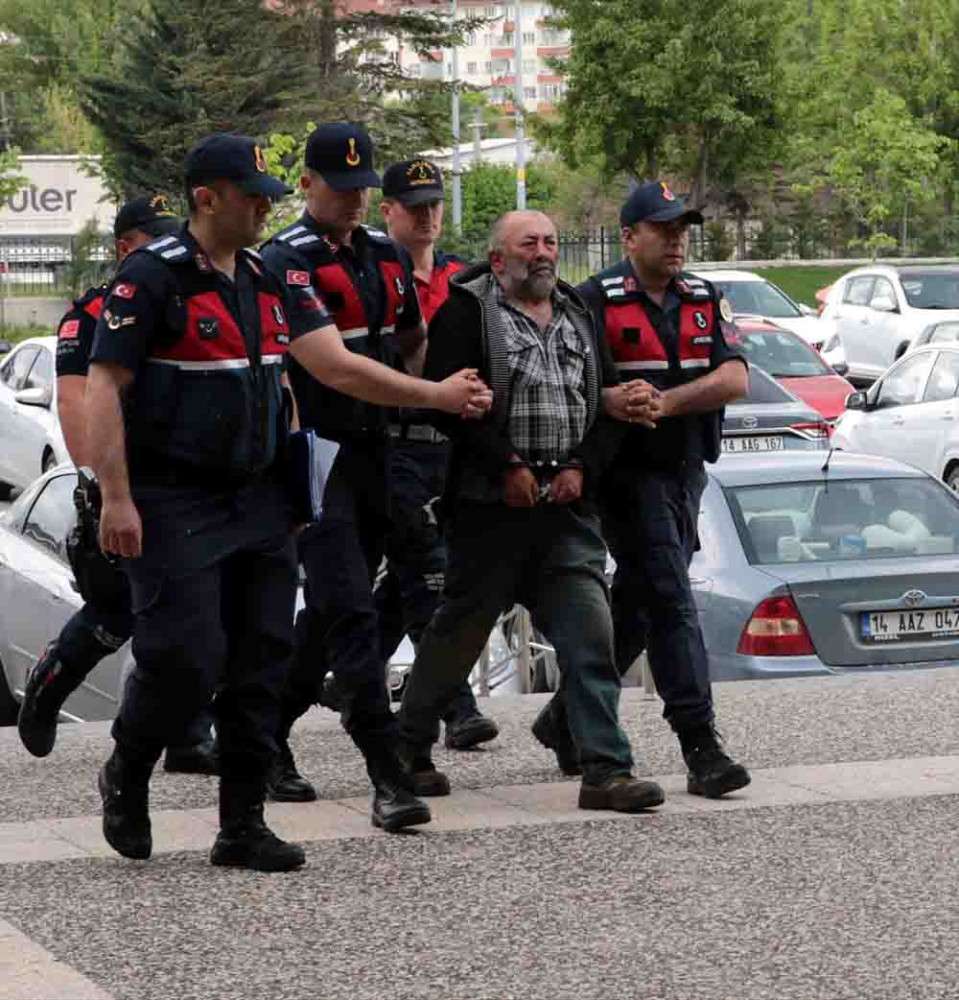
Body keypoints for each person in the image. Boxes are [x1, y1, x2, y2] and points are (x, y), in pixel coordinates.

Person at [87, 133, 491, 871]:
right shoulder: (152, 277)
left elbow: (290, 380)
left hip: (262, 496)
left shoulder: (265, 276)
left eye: (267, 197)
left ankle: (241, 824)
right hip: (174, 498)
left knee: (261, 658)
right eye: (250, 197)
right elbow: (104, 385)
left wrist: (298, 484)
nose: (261, 210)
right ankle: (128, 768)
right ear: (205, 197)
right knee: (185, 658)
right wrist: (115, 496)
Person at [396, 209, 666, 814]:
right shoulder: (467, 312)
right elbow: (448, 406)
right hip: (490, 510)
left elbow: (608, 405)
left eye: (548, 242)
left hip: (567, 512)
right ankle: (406, 749)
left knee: (591, 638)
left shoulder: (577, 311)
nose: (543, 253)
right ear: (499, 259)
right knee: (456, 637)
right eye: (528, 245)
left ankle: (606, 770)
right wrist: (505, 468)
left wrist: (582, 469)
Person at [258, 124, 487, 820]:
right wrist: (435, 395)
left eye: (363, 188)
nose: (356, 199)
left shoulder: (384, 256)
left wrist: (445, 393)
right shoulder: (285, 260)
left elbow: (407, 337)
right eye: (342, 187)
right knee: (352, 613)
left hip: (380, 455)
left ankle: (264, 731)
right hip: (314, 458)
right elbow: (335, 366)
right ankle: (386, 774)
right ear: (307, 186)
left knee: (337, 615)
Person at [533, 180, 752, 799]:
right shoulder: (594, 298)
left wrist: (665, 402)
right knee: (672, 600)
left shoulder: (706, 298)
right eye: (664, 228)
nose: (677, 239)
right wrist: (613, 400)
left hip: (685, 470)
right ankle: (700, 746)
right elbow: (565, 380)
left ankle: (563, 718)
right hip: (625, 474)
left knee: (641, 598)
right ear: (630, 237)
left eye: (682, 228)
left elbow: (734, 377)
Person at [16, 195, 218, 776]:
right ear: (125, 247)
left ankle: (186, 735)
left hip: (183, 483)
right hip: (121, 482)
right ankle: (50, 682)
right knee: (114, 616)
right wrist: (105, 487)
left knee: (189, 613)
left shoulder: (187, 299)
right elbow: (78, 402)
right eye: (153, 240)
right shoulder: (93, 313)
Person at [375, 157, 498, 751]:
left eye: (434, 205)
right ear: (388, 211)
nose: (426, 216)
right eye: (414, 206)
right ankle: (456, 706)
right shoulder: (375, 273)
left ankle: (343, 678)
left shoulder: (462, 277)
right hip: (398, 441)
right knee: (427, 575)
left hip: (455, 447)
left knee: (406, 583)